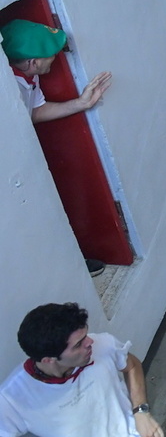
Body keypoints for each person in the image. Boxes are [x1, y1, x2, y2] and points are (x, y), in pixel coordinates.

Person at [0, 303, 166, 437]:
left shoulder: (103, 345)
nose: (90, 342)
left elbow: (132, 365)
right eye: (79, 344)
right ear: (48, 360)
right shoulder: (14, 397)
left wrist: (142, 412)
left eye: (86, 335)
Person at [1, 18, 113, 277]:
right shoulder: (9, 86)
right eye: (50, 54)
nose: (55, 58)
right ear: (33, 62)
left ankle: (72, 266)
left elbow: (36, 112)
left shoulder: (27, 77)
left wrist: (82, 103)